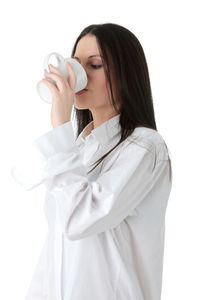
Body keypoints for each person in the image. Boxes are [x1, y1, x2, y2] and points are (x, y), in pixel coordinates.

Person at [11, 23, 172, 300]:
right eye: (75, 63)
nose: (78, 74)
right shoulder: (81, 149)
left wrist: (60, 125)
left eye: (94, 64)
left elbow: (80, 220)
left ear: (126, 73)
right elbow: (56, 249)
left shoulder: (145, 147)